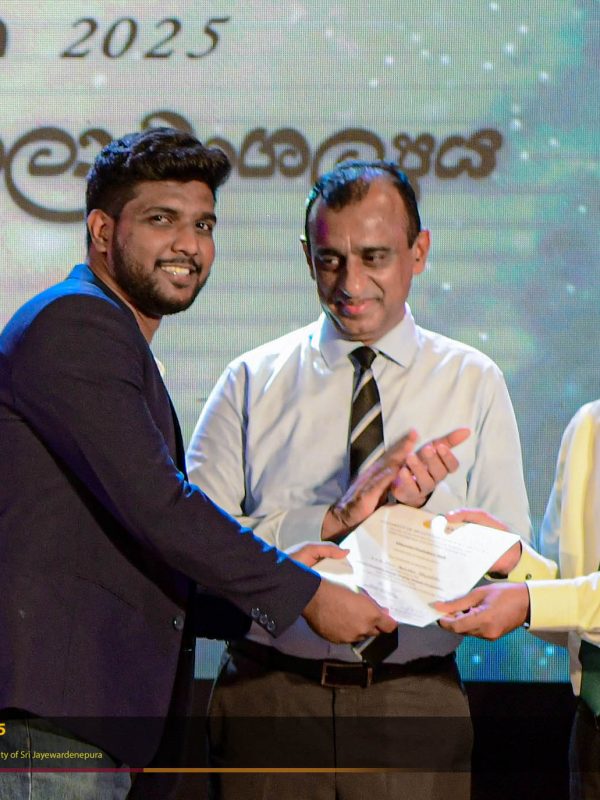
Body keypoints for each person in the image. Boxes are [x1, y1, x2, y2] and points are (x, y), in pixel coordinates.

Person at [0, 130, 401, 800]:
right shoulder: (77, 325)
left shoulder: (112, 338)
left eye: (203, 225)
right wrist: (305, 594)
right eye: (162, 220)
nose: (188, 244)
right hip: (50, 729)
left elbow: (145, 551)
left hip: (86, 732)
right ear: (102, 231)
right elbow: (161, 509)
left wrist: (287, 572)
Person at [186, 159, 532, 799]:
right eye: (330, 259)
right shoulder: (250, 380)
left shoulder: (473, 380)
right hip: (269, 699)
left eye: (374, 257)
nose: (350, 283)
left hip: (415, 704)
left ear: (419, 252)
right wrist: (326, 522)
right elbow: (196, 550)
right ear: (306, 256)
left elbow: (510, 570)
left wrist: (419, 525)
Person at [435, 400, 600, 800]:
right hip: (591, 735)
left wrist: (529, 600)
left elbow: (555, 602)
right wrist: (514, 562)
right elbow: (573, 612)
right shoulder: (589, 426)